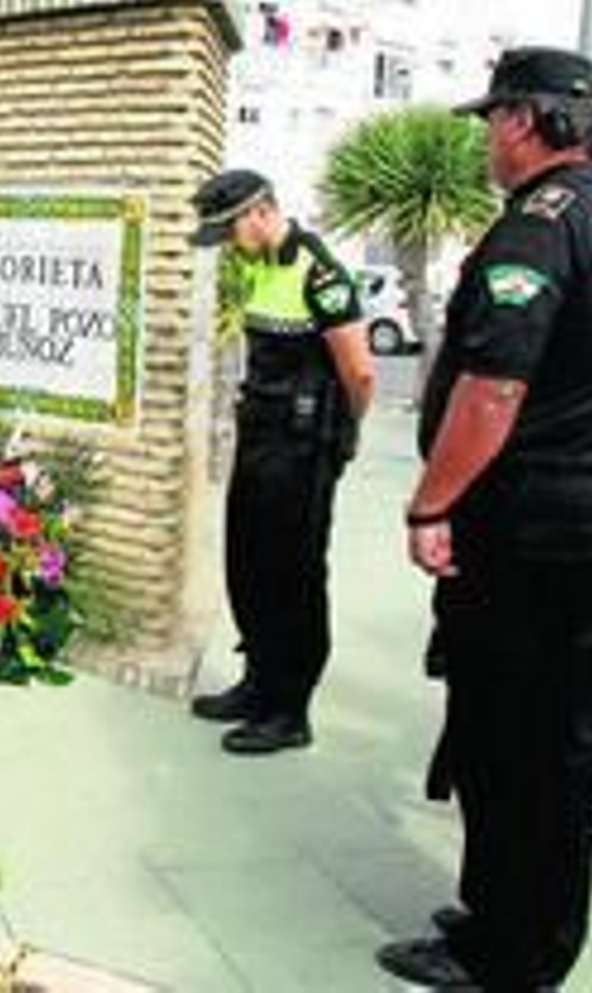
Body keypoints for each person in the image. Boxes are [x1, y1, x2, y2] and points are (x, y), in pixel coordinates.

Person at [377, 47, 592, 989]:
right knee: (547, 743)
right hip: (585, 523)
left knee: (515, 744)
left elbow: (492, 393)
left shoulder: (539, 228)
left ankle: (511, 952)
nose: (488, 139)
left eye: (496, 118)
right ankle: (510, 918)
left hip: (527, 532)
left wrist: (433, 501)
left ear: (531, 121)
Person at [185, 168, 375, 755]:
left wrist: (343, 436)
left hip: (303, 447)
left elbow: (360, 372)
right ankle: (258, 683)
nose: (226, 244)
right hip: (262, 437)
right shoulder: (260, 264)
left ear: (259, 211)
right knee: (249, 562)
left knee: (293, 576)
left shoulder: (319, 274)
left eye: (228, 229)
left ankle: (289, 710)